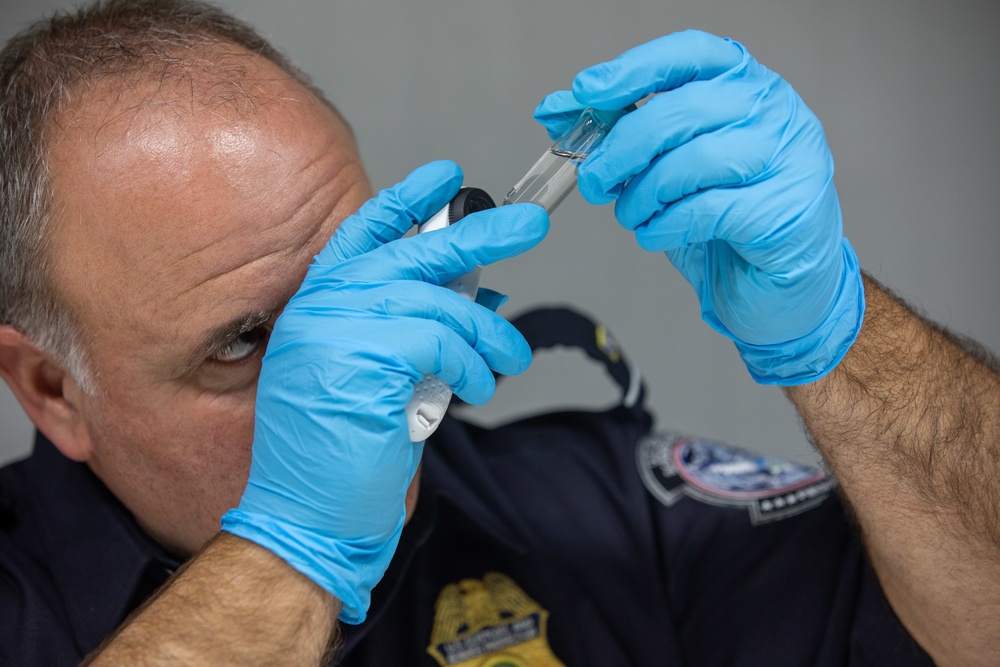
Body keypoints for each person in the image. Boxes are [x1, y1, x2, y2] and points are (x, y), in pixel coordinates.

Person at [0, 0, 996, 665]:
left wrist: (841, 339)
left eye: (360, 280)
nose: (362, 373)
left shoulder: (599, 508)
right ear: (52, 390)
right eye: (245, 343)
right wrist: (293, 548)